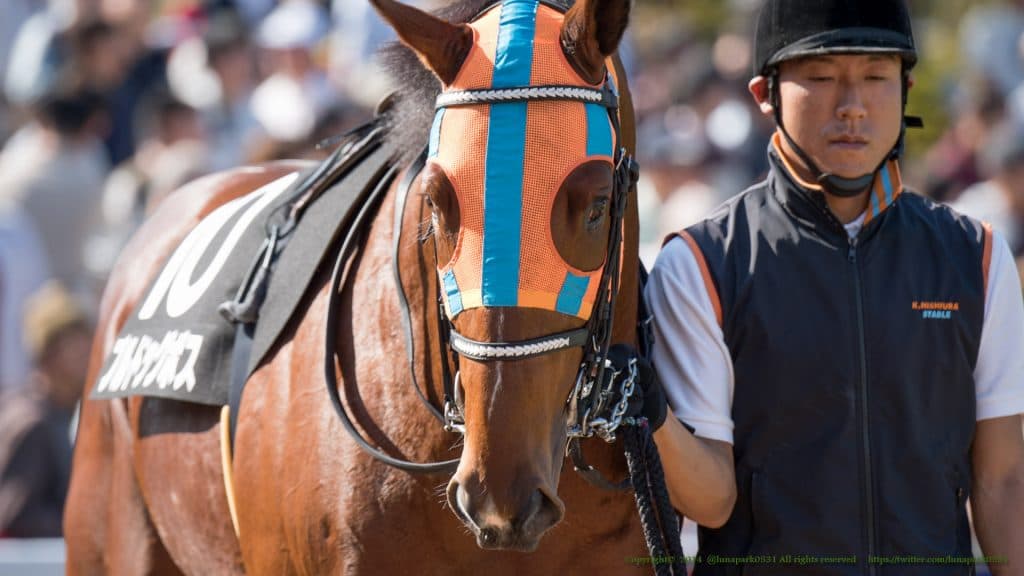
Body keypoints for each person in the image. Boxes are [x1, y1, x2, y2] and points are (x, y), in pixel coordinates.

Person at [612, 0, 1024, 573]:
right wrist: (648, 409)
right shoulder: (701, 264)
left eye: (877, 77)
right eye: (823, 77)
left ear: (906, 89)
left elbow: (1003, 480)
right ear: (765, 94)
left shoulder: (975, 256)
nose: (852, 106)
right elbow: (711, 499)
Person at [0, 281, 92, 538]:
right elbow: (17, 515)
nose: (88, 354)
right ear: (49, 352)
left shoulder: (65, 411)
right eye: (77, 344)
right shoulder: (31, 423)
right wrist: (88, 526)